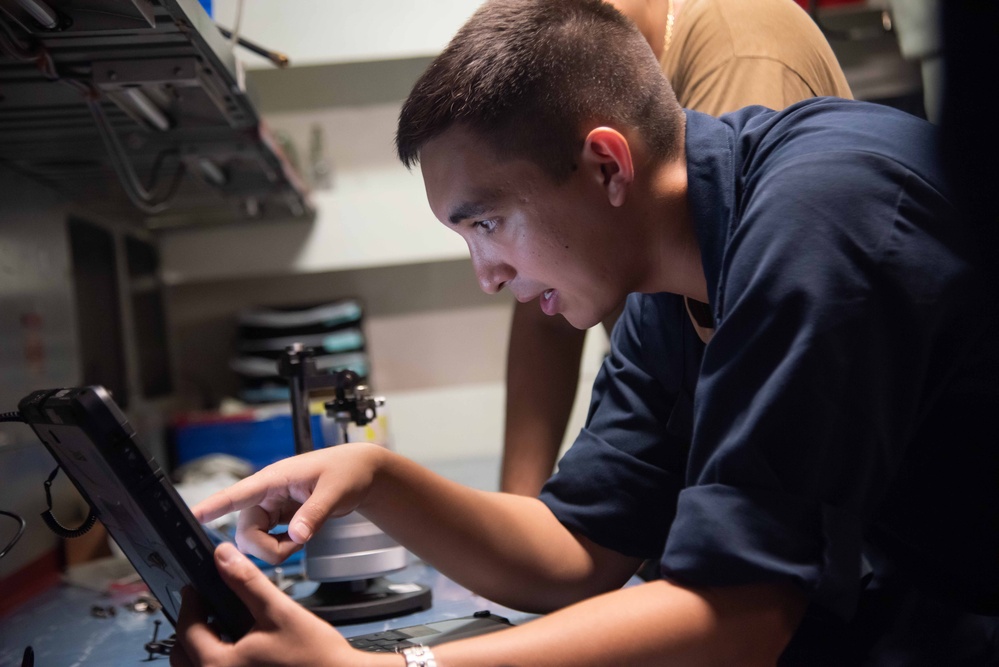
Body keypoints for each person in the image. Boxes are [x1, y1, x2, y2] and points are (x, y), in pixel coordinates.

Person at [171, 1, 999, 665]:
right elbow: (576, 550)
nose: (485, 273)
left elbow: (740, 617)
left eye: (488, 222)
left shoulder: (814, 220)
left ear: (606, 165)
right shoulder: (664, 285)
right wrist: (377, 478)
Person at [501, 0, 853, 496]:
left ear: (608, 164)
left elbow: (745, 362)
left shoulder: (740, 48)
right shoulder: (578, 79)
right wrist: (518, 516)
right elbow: (542, 302)